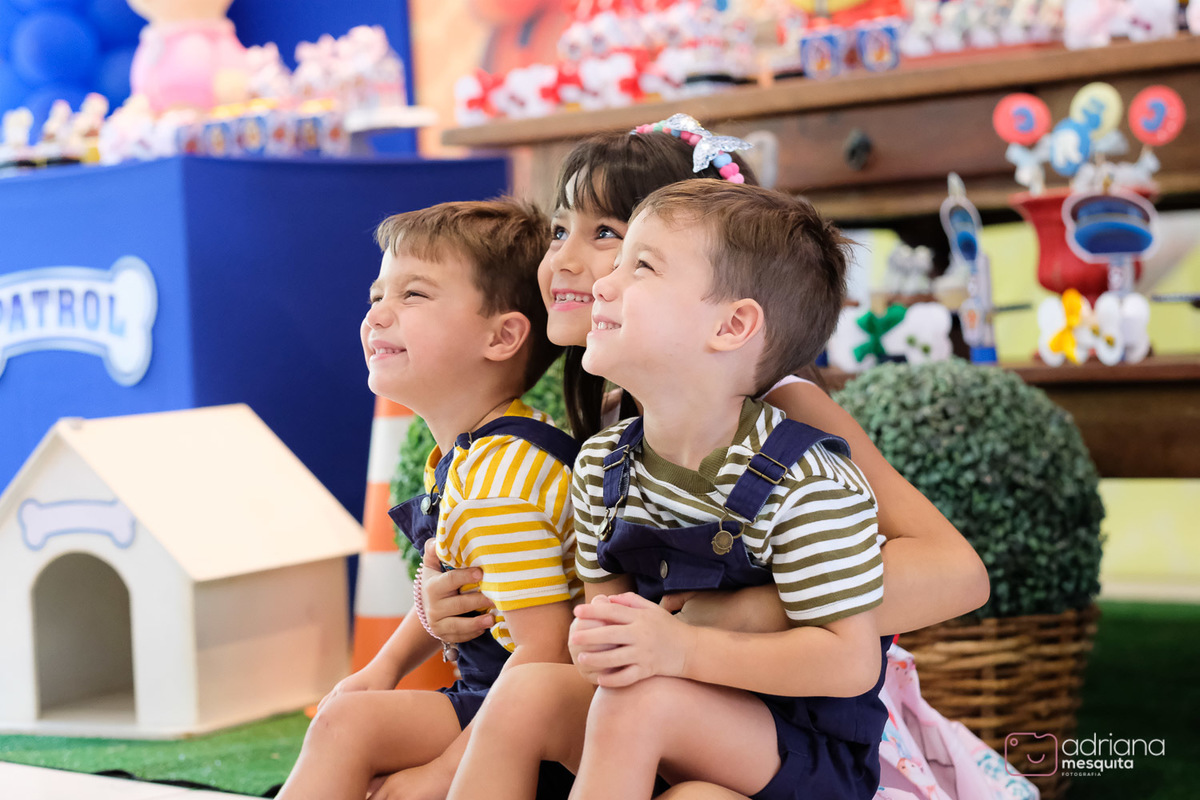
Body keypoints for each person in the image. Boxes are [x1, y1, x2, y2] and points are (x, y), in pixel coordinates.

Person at [451, 179, 890, 800]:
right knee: (529, 691)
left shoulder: (808, 483)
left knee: (650, 715)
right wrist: (599, 641)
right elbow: (603, 630)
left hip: (801, 753)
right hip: (665, 711)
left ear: (732, 325)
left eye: (643, 267)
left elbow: (849, 663)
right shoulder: (604, 462)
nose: (605, 282)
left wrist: (682, 650)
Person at [275, 199, 580, 800]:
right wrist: (380, 670)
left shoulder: (501, 484)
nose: (378, 314)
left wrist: (446, 773)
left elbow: (544, 652)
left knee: (346, 730)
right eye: (376, 295)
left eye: (413, 295)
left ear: (502, 336)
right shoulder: (475, 456)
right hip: (492, 695)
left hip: (537, 718)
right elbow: (461, 585)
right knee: (353, 722)